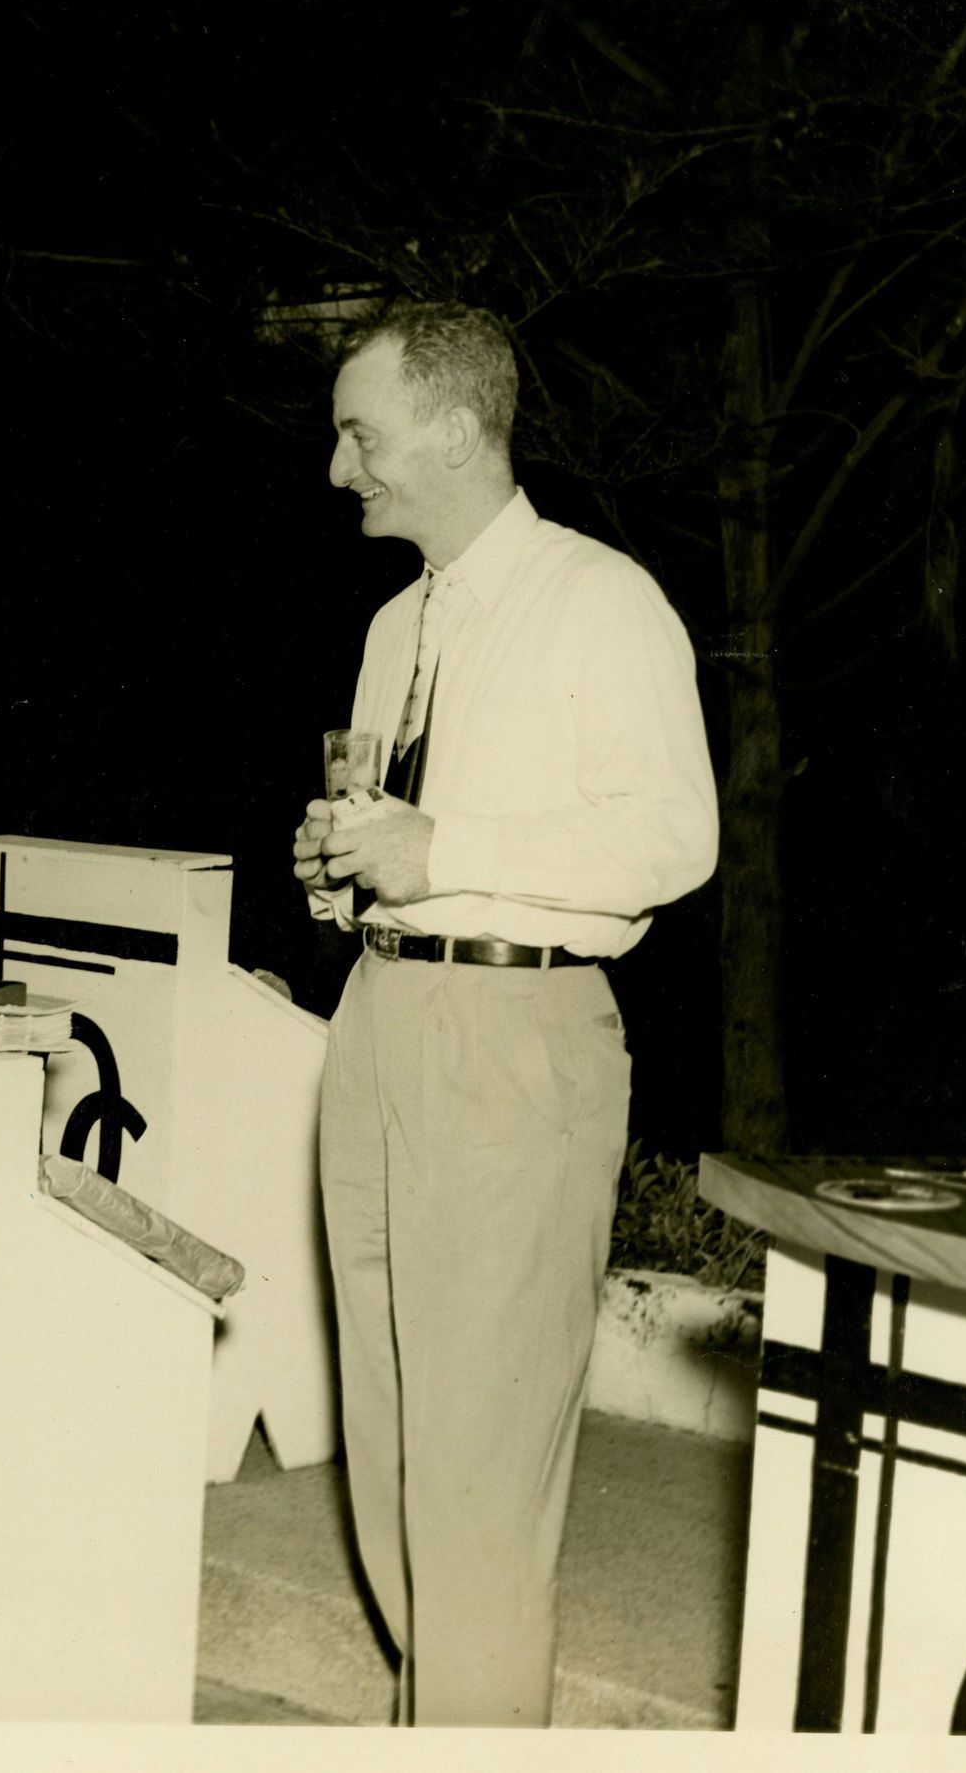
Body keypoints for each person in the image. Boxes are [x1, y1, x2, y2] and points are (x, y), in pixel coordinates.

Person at [293, 302, 718, 1727]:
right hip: (381, 1024)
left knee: (481, 1468)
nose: (341, 465)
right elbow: (403, 837)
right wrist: (352, 872)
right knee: (397, 1448)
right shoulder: (393, 623)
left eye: (362, 431)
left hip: (516, 1043)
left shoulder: (603, 601)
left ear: (460, 429)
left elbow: (672, 838)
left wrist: (445, 847)